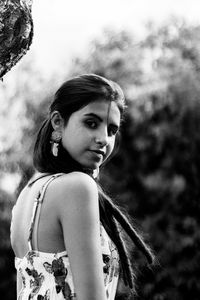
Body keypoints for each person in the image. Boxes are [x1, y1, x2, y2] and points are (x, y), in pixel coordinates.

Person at [10, 74, 154, 300]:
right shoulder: (78, 187)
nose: (103, 139)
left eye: (111, 130)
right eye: (91, 123)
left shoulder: (28, 193)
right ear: (58, 122)